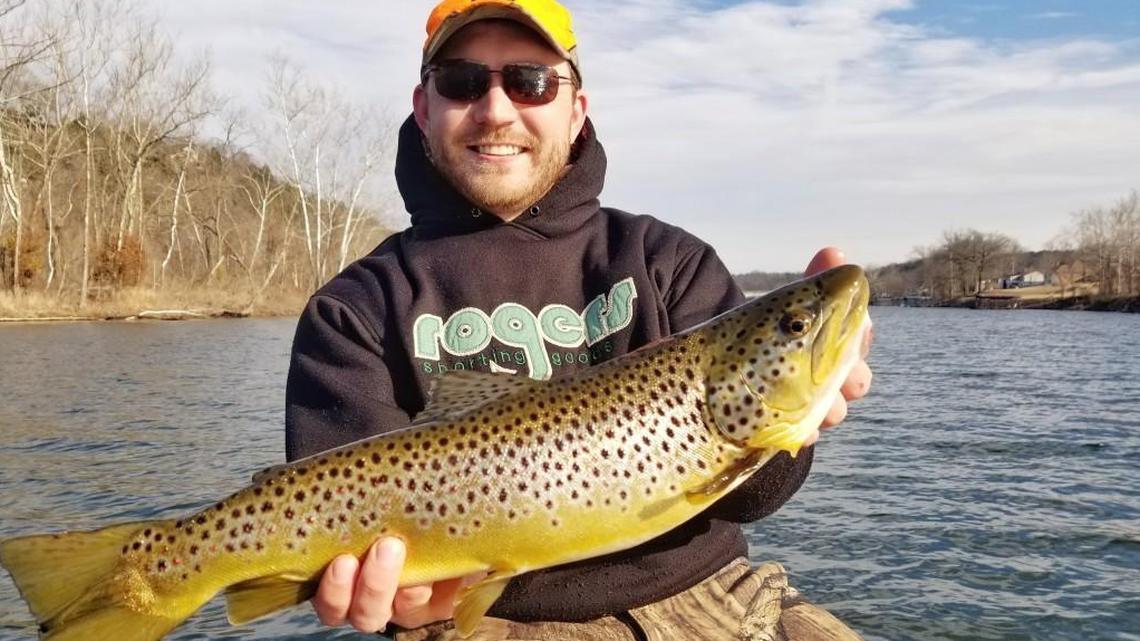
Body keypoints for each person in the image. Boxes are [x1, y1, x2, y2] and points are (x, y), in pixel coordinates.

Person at [284, 0, 873, 639]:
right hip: (478, 621)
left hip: (718, 598)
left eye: (530, 81)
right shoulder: (353, 310)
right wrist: (389, 592)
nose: (496, 108)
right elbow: (333, 525)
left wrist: (802, 423)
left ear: (576, 109)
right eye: (462, 82)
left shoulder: (668, 262)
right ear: (424, 108)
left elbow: (754, 496)